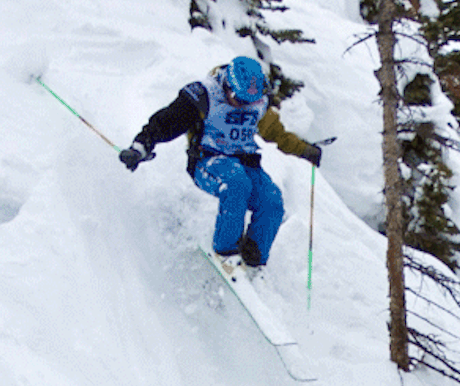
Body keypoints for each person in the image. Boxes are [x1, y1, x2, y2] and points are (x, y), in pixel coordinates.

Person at [120, 56, 323, 269]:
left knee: (271, 200)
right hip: (207, 160)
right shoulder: (204, 95)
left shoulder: (258, 101)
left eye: (249, 101)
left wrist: (304, 150)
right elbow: (166, 122)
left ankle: (254, 259)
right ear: (227, 85)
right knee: (236, 183)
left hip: (245, 162)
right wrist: (140, 147)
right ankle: (227, 252)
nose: (243, 105)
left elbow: (275, 133)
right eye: (238, 98)